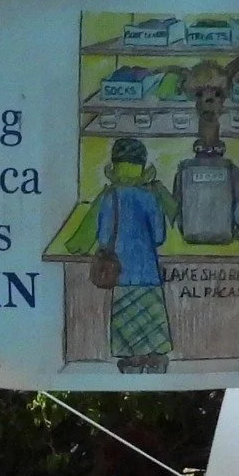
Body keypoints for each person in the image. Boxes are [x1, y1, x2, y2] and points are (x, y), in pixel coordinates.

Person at [85, 135, 175, 373]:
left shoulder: (109, 197)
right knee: (154, 338)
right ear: (142, 167)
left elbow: (104, 238)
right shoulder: (149, 197)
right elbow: (159, 236)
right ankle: (155, 372)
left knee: (128, 336)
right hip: (149, 277)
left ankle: (132, 370)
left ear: (114, 166)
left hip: (122, 277)